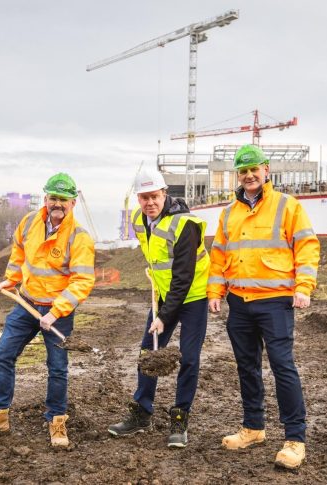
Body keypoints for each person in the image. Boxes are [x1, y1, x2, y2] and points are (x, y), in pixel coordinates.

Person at [207, 144, 321, 470]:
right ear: (237, 176)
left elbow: (307, 247)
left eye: (254, 169)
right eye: (243, 171)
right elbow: (219, 257)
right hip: (239, 303)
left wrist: (304, 287)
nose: (249, 175)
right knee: (247, 367)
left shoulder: (288, 206)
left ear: (266, 169)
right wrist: (215, 292)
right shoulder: (229, 213)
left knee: (283, 366)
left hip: (275, 303)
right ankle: (253, 428)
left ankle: (295, 439)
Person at [0, 173, 95, 448]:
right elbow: (18, 252)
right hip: (27, 303)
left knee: (57, 367)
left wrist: (56, 312)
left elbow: (82, 281)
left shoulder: (80, 237)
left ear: (73, 203)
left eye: (63, 200)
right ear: (46, 198)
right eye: (53, 198)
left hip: (57, 310)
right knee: (4, 354)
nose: (57, 204)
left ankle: (57, 421)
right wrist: (11, 279)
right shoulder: (30, 222)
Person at [107, 169, 210, 448]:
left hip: (193, 296)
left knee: (188, 357)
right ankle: (142, 413)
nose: (149, 202)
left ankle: (179, 418)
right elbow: (156, 256)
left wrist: (163, 317)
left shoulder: (185, 224)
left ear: (165, 194)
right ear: (138, 198)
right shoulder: (139, 219)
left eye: (154, 196)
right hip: (164, 294)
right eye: (144, 197)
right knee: (148, 353)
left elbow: (184, 276)